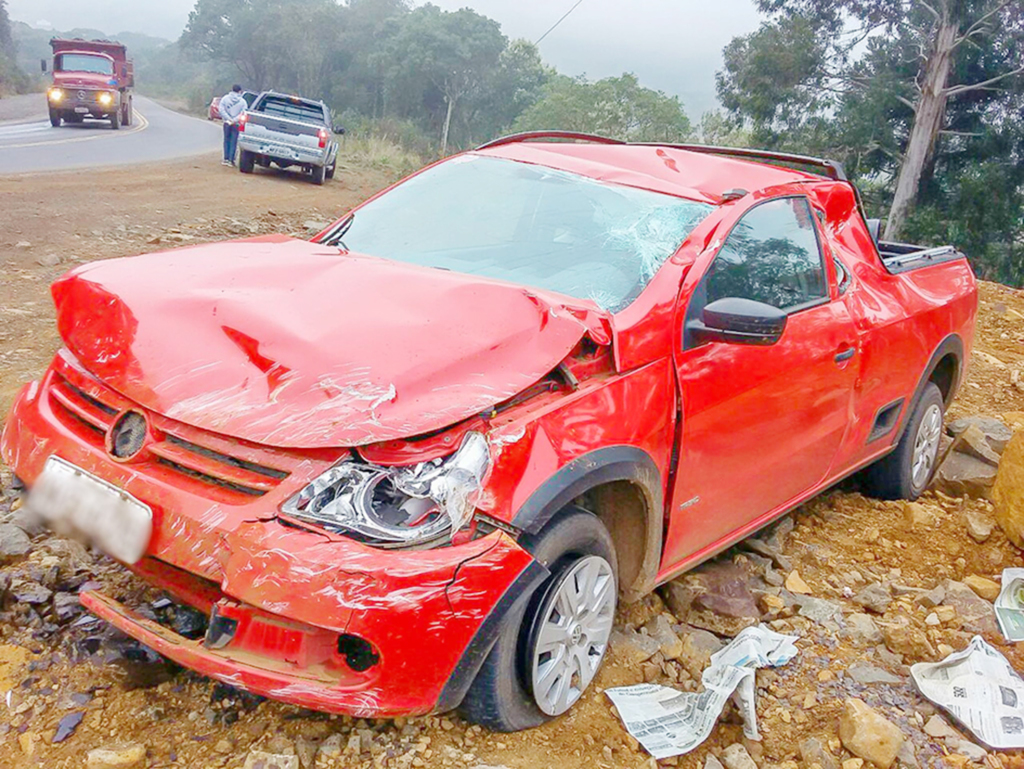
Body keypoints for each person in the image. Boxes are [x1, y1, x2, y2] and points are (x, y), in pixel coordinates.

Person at [219, 84, 247, 167]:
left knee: (226, 139)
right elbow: (243, 113)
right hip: (236, 124)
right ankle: (231, 160)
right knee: (233, 141)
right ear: (239, 91)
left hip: (226, 122)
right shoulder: (243, 101)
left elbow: (221, 109)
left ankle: (225, 158)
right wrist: (234, 120)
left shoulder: (225, 98)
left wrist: (228, 119)